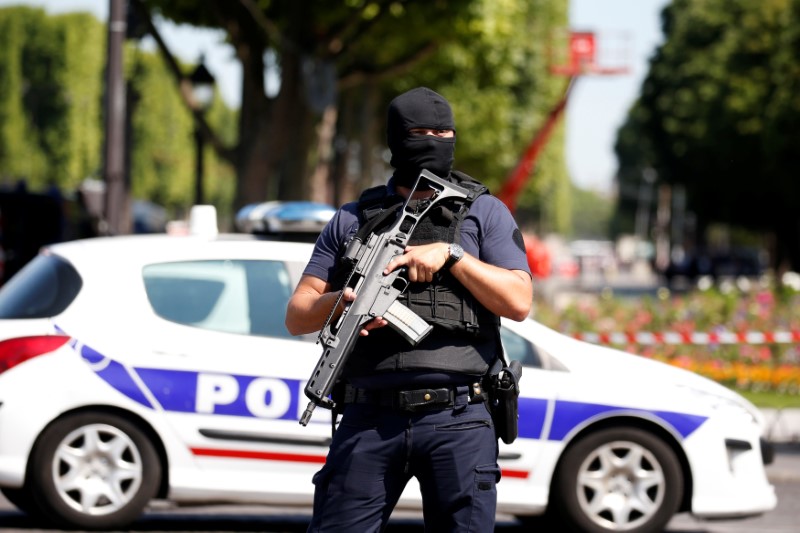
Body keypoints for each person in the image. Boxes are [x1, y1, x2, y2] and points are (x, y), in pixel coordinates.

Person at [285, 86, 533, 532]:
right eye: (423, 132)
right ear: (397, 141)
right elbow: (297, 313)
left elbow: (518, 301)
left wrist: (451, 256)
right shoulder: (352, 219)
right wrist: (338, 303)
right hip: (368, 416)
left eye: (446, 132)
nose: (436, 140)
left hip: (458, 416)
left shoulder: (484, 212)